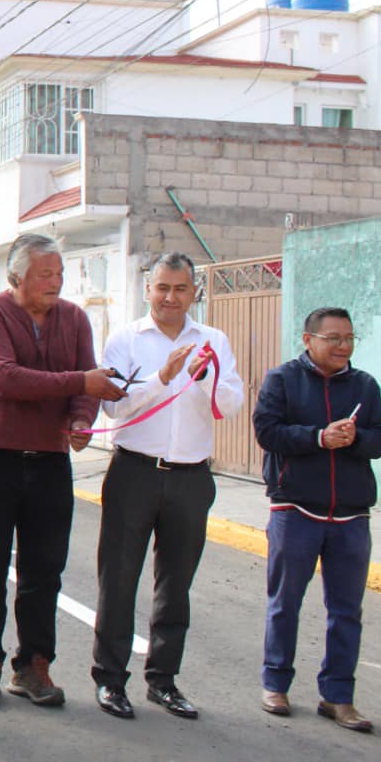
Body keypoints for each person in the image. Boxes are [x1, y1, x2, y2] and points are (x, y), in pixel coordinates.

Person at [0, 233, 120, 708]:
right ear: (17, 276)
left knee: (45, 568)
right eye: (45, 274)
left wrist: (80, 420)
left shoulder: (73, 318)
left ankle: (33, 665)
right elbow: (8, 379)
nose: (55, 282)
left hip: (50, 460)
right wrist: (81, 382)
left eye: (59, 274)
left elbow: (88, 385)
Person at [90, 253, 243, 721]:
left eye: (180, 288)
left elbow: (232, 402)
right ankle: (111, 680)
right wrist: (163, 378)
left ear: (194, 291)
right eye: (162, 288)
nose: (170, 298)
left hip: (190, 477)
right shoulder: (126, 339)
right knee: (118, 580)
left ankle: (164, 680)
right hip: (135, 471)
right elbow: (114, 409)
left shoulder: (212, 340)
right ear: (147, 289)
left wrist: (205, 378)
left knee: (176, 585)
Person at [254, 306, 381, 733]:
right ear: (308, 339)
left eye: (349, 338)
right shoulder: (282, 380)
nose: (343, 346)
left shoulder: (365, 385)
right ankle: (275, 685)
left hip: (351, 515)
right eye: (333, 338)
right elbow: (267, 431)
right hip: (295, 509)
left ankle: (338, 696)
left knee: (347, 610)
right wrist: (318, 437)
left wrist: (355, 439)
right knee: (285, 604)